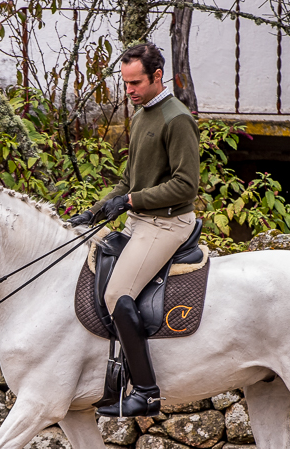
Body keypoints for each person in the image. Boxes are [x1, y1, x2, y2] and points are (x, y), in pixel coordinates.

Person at [69, 42, 201, 417]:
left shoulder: (177, 119)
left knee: (117, 294)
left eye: (136, 82)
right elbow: (129, 180)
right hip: (140, 220)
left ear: (157, 76)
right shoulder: (143, 115)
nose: (129, 90)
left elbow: (186, 186)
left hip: (167, 224)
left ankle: (146, 392)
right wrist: (94, 211)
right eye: (125, 83)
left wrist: (130, 201)